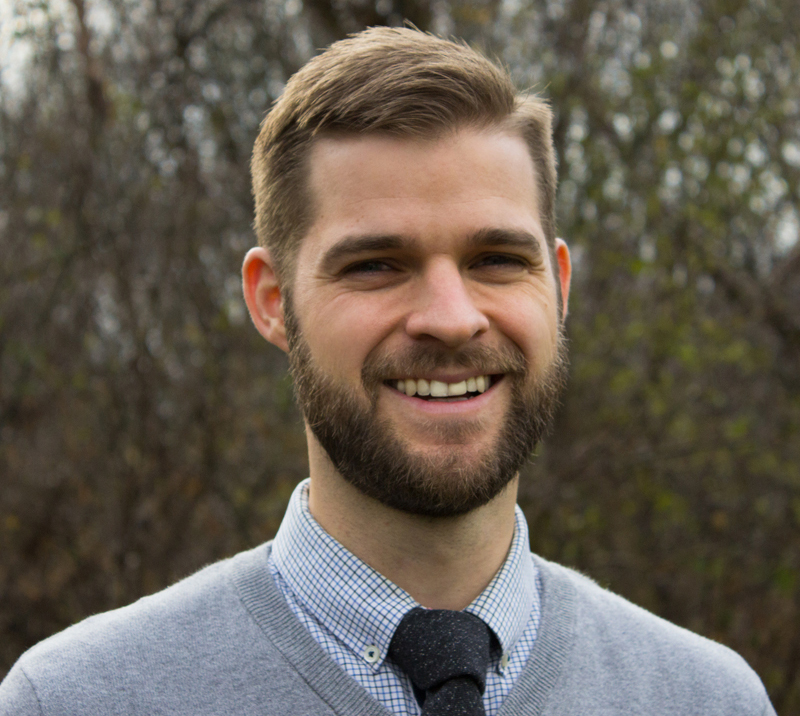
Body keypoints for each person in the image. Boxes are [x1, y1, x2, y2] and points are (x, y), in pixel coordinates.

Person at [0, 26, 776, 716]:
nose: (451, 317)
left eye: (497, 260)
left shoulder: (708, 699)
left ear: (560, 288)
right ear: (272, 302)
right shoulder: (75, 700)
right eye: (376, 265)